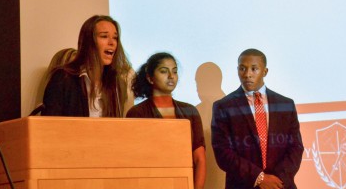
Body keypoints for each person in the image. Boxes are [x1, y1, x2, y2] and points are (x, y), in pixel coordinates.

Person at [211, 48, 304, 189]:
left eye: (254, 69)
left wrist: (277, 180)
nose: (247, 74)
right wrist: (259, 178)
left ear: (265, 72)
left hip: (281, 185)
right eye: (242, 68)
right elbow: (223, 152)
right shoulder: (223, 107)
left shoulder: (286, 104)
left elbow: (296, 147)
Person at [126, 52, 206, 189]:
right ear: (150, 78)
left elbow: (199, 158)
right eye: (164, 71)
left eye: (174, 71)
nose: (171, 76)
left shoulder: (189, 111)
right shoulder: (137, 113)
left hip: (184, 182)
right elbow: (133, 162)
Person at [42, 15, 132, 117]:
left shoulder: (116, 84)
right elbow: (49, 125)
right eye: (104, 36)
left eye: (115, 38)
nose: (112, 43)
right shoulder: (63, 78)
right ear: (88, 42)